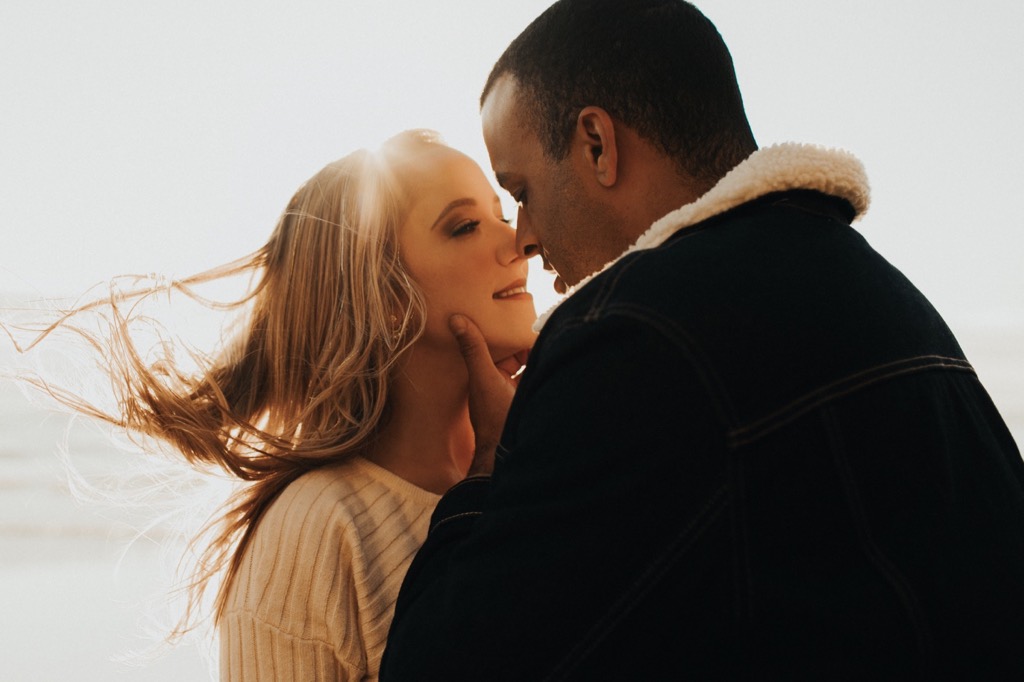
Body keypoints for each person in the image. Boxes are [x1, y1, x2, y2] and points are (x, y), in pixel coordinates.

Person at [380, 1, 1024, 679]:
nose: (525, 237)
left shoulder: (634, 334)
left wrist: (488, 468)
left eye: (522, 192)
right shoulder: (885, 294)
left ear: (597, 145)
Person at [9, 130, 536, 680]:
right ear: (387, 294)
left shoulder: (537, 471)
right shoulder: (315, 532)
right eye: (465, 226)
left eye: (502, 215)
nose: (521, 240)